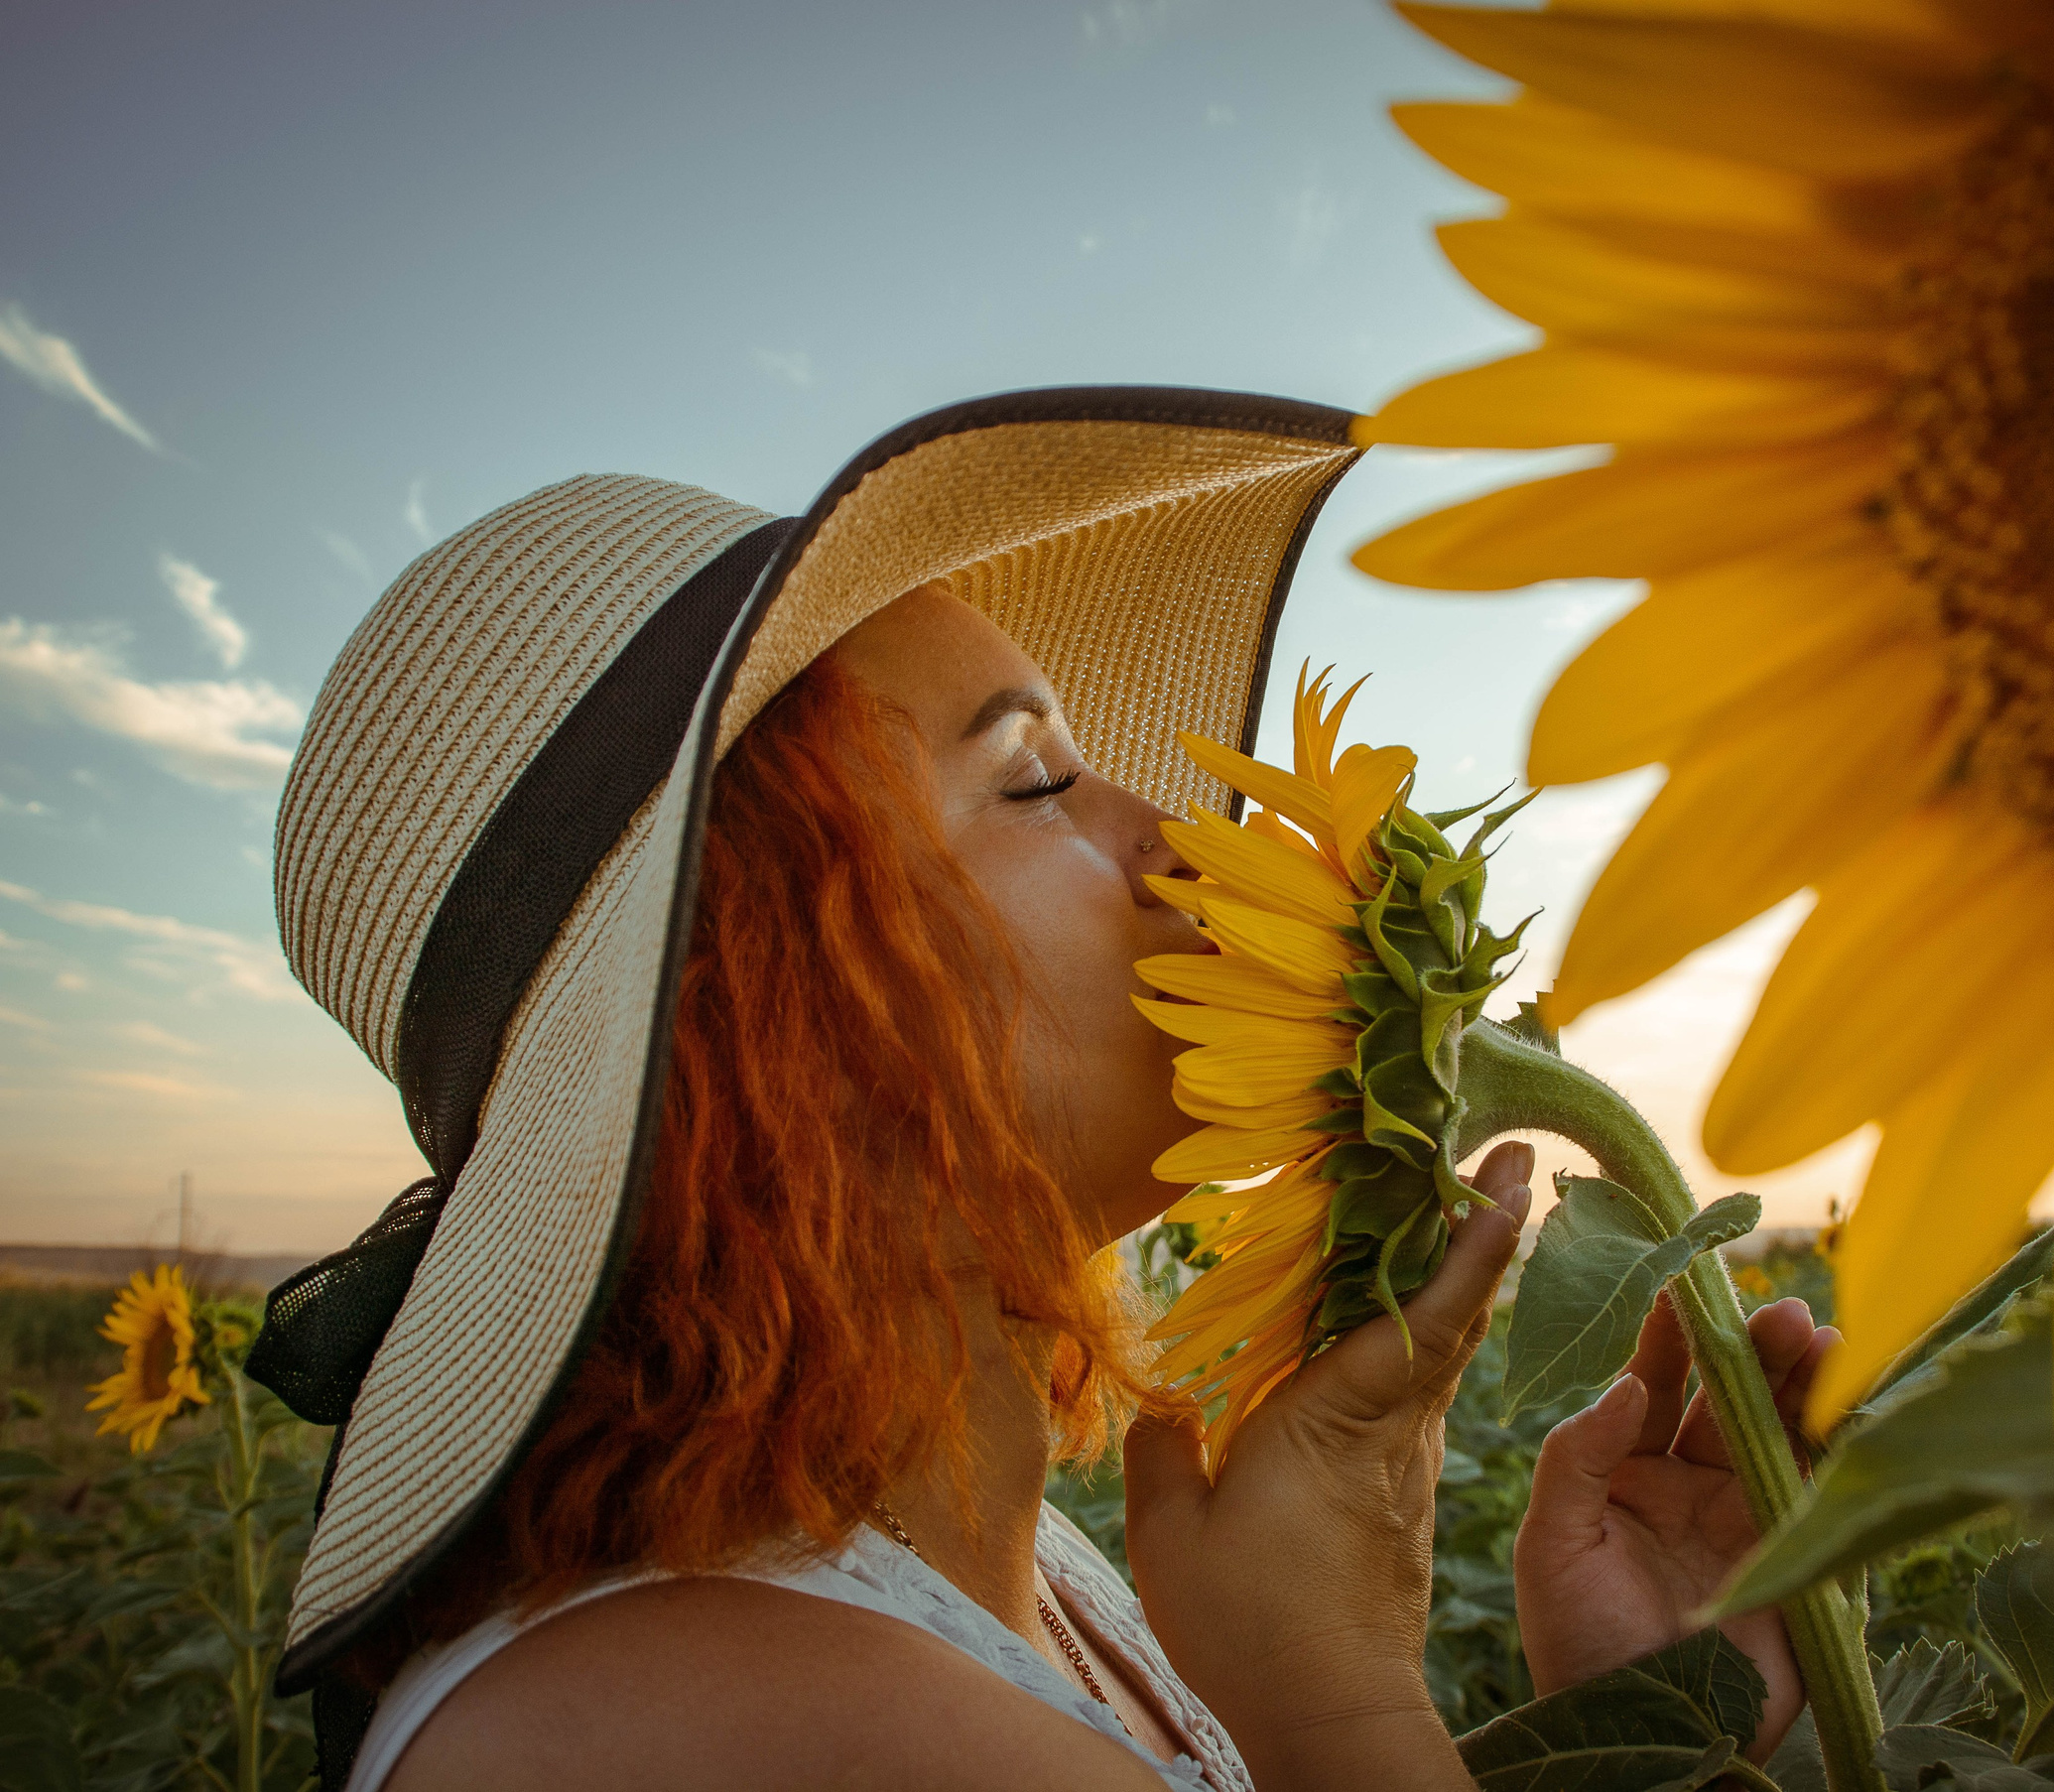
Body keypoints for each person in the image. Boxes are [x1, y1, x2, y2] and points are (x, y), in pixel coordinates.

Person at [250, 388, 1835, 1792]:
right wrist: (1328, 1689)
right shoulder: (701, 1722)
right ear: (773, 1007)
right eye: (1036, 778)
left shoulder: (990, 1578)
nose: (1187, 839)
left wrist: (1644, 1731)